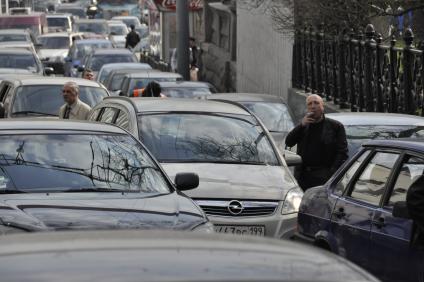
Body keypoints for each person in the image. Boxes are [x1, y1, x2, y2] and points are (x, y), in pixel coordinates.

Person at [285, 94, 348, 190]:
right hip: (303, 177)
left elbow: (342, 153)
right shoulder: (304, 126)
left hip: (324, 178)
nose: (313, 106)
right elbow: (289, 142)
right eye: (310, 104)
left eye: (316, 103)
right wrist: (301, 126)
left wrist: (331, 174)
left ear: (322, 107)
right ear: (307, 108)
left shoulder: (335, 127)